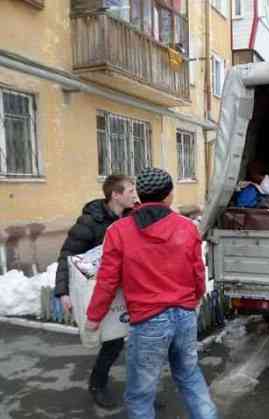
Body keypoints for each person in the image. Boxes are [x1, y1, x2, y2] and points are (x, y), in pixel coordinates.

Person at [85, 167, 218, 419]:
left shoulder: (119, 231)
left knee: (140, 394)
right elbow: (197, 272)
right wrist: (197, 298)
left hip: (148, 321)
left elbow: (107, 281)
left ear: (140, 196)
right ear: (169, 195)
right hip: (184, 315)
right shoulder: (187, 228)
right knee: (190, 377)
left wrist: (93, 319)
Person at [54, 174, 138, 408]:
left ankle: (141, 392)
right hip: (103, 290)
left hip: (132, 287)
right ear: (116, 195)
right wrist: (63, 292)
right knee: (113, 341)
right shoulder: (91, 222)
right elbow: (67, 256)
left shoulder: (134, 217)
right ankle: (97, 384)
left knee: (140, 339)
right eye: (130, 191)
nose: (135, 195)